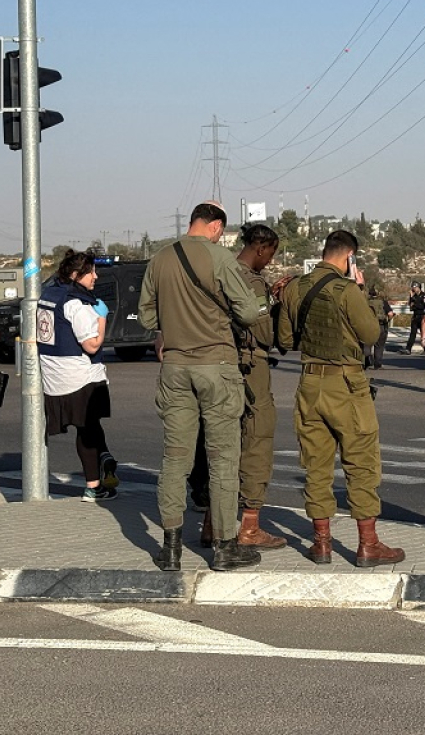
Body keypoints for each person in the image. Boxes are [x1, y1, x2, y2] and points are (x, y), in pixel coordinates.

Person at [139, 201, 264, 573]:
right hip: (217, 367)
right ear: (215, 227)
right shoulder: (220, 258)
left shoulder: (160, 258)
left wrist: (171, 324)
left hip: (175, 368)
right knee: (222, 459)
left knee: (175, 458)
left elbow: (145, 315)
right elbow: (247, 312)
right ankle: (225, 548)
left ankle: (171, 549)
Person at [278, 229, 404, 568]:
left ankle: (321, 543)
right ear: (349, 257)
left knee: (316, 465)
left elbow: (286, 338)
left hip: (309, 384)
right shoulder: (348, 290)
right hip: (346, 386)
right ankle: (368, 545)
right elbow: (371, 334)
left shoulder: (294, 287)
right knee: (360, 463)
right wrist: (358, 291)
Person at [39, 249, 119, 503]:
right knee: (87, 428)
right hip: (80, 376)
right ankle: (93, 487)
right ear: (75, 275)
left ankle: (104, 455)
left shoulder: (47, 295)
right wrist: (102, 318)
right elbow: (92, 345)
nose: (95, 277)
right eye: (91, 272)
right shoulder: (77, 303)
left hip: (52, 375)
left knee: (90, 425)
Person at [232, 223, 289, 549]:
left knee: (222, 445)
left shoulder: (220, 271)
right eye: (271, 254)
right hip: (250, 367)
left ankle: (214, 522)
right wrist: (276, 302)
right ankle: (249, 527)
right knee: (257, 439)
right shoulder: (252, 282)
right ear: (261, 248)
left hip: (221, 365)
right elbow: (266, 334)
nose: (270, 261)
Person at [365, 286, 393, 370]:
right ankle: (378, 364)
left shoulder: (365, 302)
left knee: (367, 345)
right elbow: (390, 314)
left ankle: (366, 362)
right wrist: (388, 321)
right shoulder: (383, 302)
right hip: (381, 325)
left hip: (368, 326)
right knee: (379, 346)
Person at [404, 282, 425, 354]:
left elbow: (424, 306)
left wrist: (415, 305)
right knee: (412, 334)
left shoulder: (424, 295)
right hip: (415, 316)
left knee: (423, 334)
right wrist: (411, 297)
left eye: (415, 287)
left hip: (422, 316)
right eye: (413, 288)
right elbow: (411, 307)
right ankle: (408, 349)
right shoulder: (414, 296)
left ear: (418, 287)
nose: (414, 289)